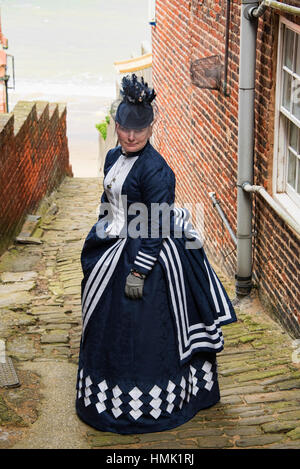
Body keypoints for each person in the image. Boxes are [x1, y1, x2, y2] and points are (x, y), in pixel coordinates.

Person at [75, 74, 237, 434]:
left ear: (150, 127)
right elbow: (109, 199)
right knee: (103, 321)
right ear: (116, 126)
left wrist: (138, 272)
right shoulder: (113, 157)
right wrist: (102, 232)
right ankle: (104, 394)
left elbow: (156, 227)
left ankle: (149, 402)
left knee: (140, 331)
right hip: (114, 243)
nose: (131, 136)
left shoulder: (157, 171)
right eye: (125, 128)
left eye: (140, 129)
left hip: (146, 253)